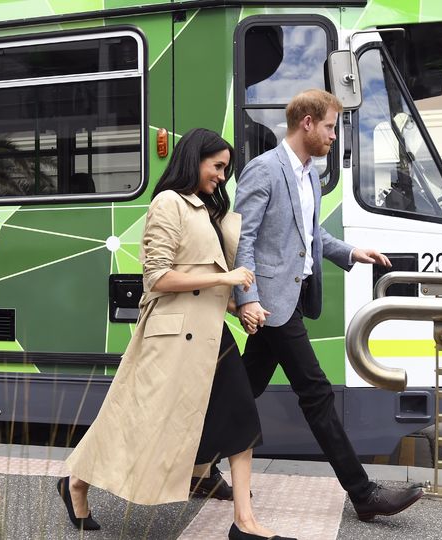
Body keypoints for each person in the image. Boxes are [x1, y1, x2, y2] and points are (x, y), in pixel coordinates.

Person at [60, 128, 294, 540]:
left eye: (226, 169)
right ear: (194, 159)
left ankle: (245, 523)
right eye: (217, 166)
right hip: (172, 340)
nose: (222, 176)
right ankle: (76, 482)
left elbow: (206, 279)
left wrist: (239, 308)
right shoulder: (169, 203)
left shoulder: (206, 210)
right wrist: (229, 276)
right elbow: (157, 278)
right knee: (133, 424)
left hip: (211, 336)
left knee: (242, 418)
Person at [233, 89, 423, 522]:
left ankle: (192, 468)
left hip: (288, 302)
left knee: (237, 396)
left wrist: (354, 252)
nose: (334, 136)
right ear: (306, 123)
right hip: (270, 306)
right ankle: (364, 494)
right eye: (330, 127)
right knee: (316, 393)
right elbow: (243, 239)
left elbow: (311, 234)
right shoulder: (264, 171)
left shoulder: (310, 176)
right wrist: (248, 300)